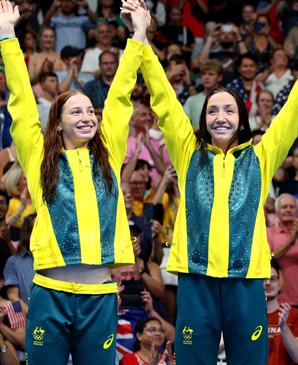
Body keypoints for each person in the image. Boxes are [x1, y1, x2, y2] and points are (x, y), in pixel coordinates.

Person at [133, 2, 298, 363]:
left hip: (246, 280)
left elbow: (296, 108)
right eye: (213, 109)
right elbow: (163, 97)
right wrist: (143, 39)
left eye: (229, 110)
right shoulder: (186, 150)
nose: (220, 116)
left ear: (241, 119)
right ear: (203, 117)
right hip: (196, 279)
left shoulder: (260, 156)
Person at [0, 0, 145, 362]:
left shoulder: (108, 153)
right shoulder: (39, 157)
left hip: (99, 297)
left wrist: (138, 36)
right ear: (58, 121)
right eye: (75, 111)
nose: (87, 117)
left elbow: (121, 95)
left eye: (90, 111)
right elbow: (20, 102)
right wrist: (6, 36)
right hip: (50, 292)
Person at [266, 260, 298, 365]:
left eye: (273, 279)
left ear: (280, 284)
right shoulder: (248, 317)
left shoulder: (295, 315)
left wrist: (283, 327)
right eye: (263, 278)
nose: (268, 283)